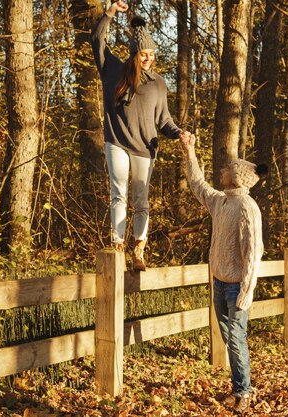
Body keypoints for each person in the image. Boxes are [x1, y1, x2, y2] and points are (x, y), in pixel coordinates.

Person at [91, 1, 186, 270]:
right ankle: (118, 248)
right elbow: (97, 39)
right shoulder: (113, 71)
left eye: (152, 54)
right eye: (144, 54)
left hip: (145, 148)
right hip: (117, 143)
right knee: (118, 195)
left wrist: (179, 134)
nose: (149, 58)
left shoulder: (157, 82)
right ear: (134, 53)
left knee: (141, 201)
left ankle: (138, 252)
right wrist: (110, 13)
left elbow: (164, 119)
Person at [179, 132, 267, 413]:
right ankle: (238, 388)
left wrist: (246, 293)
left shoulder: (247, 208)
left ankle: (244, 393)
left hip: (236, 287)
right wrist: (189, 151)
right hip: (218, 282)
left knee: (237, 339)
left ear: (238, 177)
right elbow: (197, 184)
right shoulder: (221, 202)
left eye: (227, 169)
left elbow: (254, 253)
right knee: (230, 338)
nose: (221, 171)